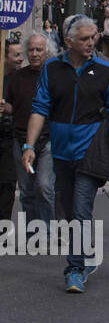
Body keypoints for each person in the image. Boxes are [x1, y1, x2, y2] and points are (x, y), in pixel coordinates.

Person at [25, 15, 109, 293]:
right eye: (84, 38)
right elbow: (39, 109)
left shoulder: (106, 71)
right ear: (68, 41)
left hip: (91, 152)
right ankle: (84, 256)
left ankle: (74, 269)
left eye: (94, 36)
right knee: (68, 212)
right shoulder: (51, 68)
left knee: (82, 209)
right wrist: (28, 147)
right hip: (60, 151)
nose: (90, 42)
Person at [7, 32, 55, 230]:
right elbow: (12, 106)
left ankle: (49, 230)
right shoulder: (17, 77)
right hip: (20, 138)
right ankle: (33, 233)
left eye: (39, 50)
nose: (35, 54)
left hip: (47, 140)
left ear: (47, 51)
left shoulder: (54, 76)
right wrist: (5, 107)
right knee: (26, 191)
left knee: (44, 187)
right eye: (31, 50)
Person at [0, 40, 20, 221]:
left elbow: (24, 107)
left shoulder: (19, 80)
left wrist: (9, 108)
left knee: (7, 183)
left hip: (9, 136)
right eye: (16, 55)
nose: (20, 59)